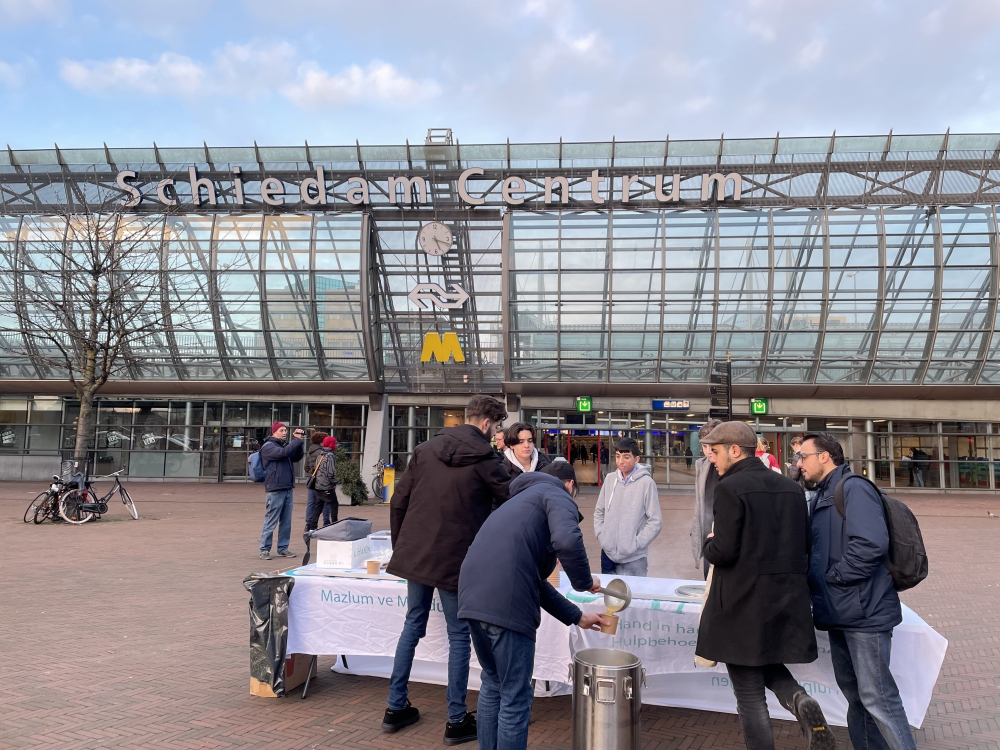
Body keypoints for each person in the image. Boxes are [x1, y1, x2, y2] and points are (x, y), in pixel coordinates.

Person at [696, 422, 835, 750]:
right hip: (785, 598)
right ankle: (798, 698)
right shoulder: (790, 488)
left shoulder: (729, 488)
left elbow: (724, 551)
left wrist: (709, 543)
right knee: (765, 661)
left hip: (741, 600)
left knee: (748, 694)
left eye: (714, 452)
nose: (711, 459)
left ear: (734, 450)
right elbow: (804, 544)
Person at [383, 395, 512, 745]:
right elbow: (511, 498)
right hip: (457, 558)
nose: (496, 432)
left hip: (418, 554)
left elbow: (399, 500)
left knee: (412, 625)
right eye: (496, 426)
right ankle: (456, 719)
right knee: (458, 636)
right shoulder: (485, 457)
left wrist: (403, 547)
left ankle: (395, 707)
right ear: (487, 423)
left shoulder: (425, 450)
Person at [458, 462, 608, 750]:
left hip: (472, 598)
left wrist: (578, 617)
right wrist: (585, 581)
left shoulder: (517, 503)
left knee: (492, 684)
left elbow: (534, 581)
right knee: (515, 696)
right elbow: (566, 539)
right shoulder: (557, 494)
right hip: (507, 605)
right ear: (570, 485)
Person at [797, 432, 915, 750]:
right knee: (858, 697)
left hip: (864, 612)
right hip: (839, 611)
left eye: (803, 456)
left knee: (879, 698)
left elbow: (871, 543)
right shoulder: (823, 495)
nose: (798, 464)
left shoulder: (853, 489)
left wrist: (835, 579)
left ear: (825, 456)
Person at [593, 437, 662, 577]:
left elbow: (655, 521)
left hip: (634, 558)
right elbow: (599, 511)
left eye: (626, 457)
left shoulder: (646, 483)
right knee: (609, 596)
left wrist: (636, 544)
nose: (621, 461)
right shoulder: (610, 479)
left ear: (636, 459)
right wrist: (602, 535)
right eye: (618, 456)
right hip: (608, 554)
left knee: (634, 596)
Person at [259, 422, 305, 560]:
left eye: (285, 430)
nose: (284, 432)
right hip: (275, 489)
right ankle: (264, 549)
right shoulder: (268, 447)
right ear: (274, 432)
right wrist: (296, 440)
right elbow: (284, 453)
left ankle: (283, 548)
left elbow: (296, 456)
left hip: (287, 488)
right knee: (271, 520)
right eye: (281, 430)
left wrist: (300, 442)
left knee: (286, 521)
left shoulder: (282, 446)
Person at [691, 418, 723, 578]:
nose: (708, 450)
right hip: (706, 534)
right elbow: (700, 501)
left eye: (712, 446)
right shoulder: (701, 465)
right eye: (704, 446)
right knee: (707, 578)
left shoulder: (733, 466)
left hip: (725, 534)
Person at [306, 435, 338, 530]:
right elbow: (330, 472)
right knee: (334, 504)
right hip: (326, 486)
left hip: (318, 485)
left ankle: (312, 526)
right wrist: (334, 483)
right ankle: (334, 524)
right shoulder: (330, 456)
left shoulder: (321, 454)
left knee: (318, 506)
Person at [787, 435, 817, 501]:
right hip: (813, 488)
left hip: (803, 488)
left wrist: (790, 467)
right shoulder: (811, 455)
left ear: (795, 445)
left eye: (792, 448)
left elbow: (794, 476)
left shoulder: (796, 457)